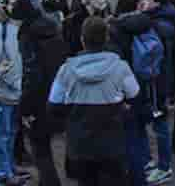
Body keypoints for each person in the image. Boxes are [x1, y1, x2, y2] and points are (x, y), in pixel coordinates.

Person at [49, 16, 140, 185]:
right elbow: (135, 96)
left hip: (80, 142)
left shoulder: (66, 69)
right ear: (106, 38)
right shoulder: (120, 66)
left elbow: (54, 105)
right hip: (112, 142)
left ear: (82, 39)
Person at [16, 0, 68, 186]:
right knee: (44, 145)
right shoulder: (51, 29)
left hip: (38, 98)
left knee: (40, 148)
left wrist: (26, 108)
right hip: (53, 93)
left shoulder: (30, 35)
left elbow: (32, 73)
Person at [109, 0, 157, 186]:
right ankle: (143, 170)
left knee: (129, 136)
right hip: (141, 83)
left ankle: (134, 174)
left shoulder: (115, 27)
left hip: (124, 85)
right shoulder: (141, 24)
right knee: (137, 134)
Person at [0, 0, 27, 186]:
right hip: (4, 87)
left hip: (20, 87)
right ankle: (2, 173)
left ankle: (9, 166)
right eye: (11, 3)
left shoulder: (26, 27)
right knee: (1, 131)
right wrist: (8, 77)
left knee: (12, 131)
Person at [143, 0, 175, 184]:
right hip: (160, 79)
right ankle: (155, 163)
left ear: (157, 3)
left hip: (159, 80)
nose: (144, 2)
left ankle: (165, 166)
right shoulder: (162, 19)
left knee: (160, 124)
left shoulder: (161, 24)